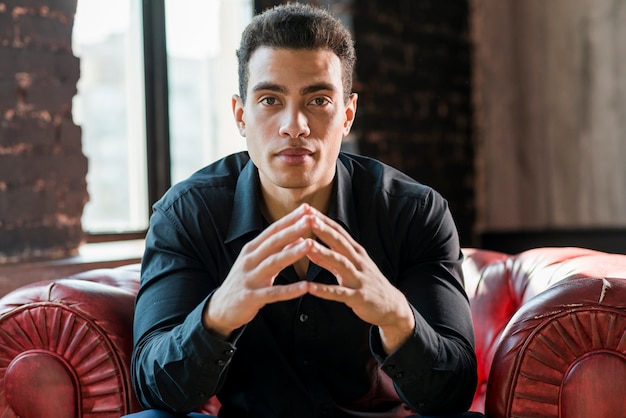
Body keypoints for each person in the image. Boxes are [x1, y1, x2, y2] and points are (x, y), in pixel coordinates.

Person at [126, 3, 480, 418]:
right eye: (271, 99)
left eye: (318, 100)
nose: (295, 125)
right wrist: (217, 315)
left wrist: (397, 317)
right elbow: (154, 387)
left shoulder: (415, 212)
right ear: (241, 115)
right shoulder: (188, 214)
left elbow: (453, 391)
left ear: (347, 115)